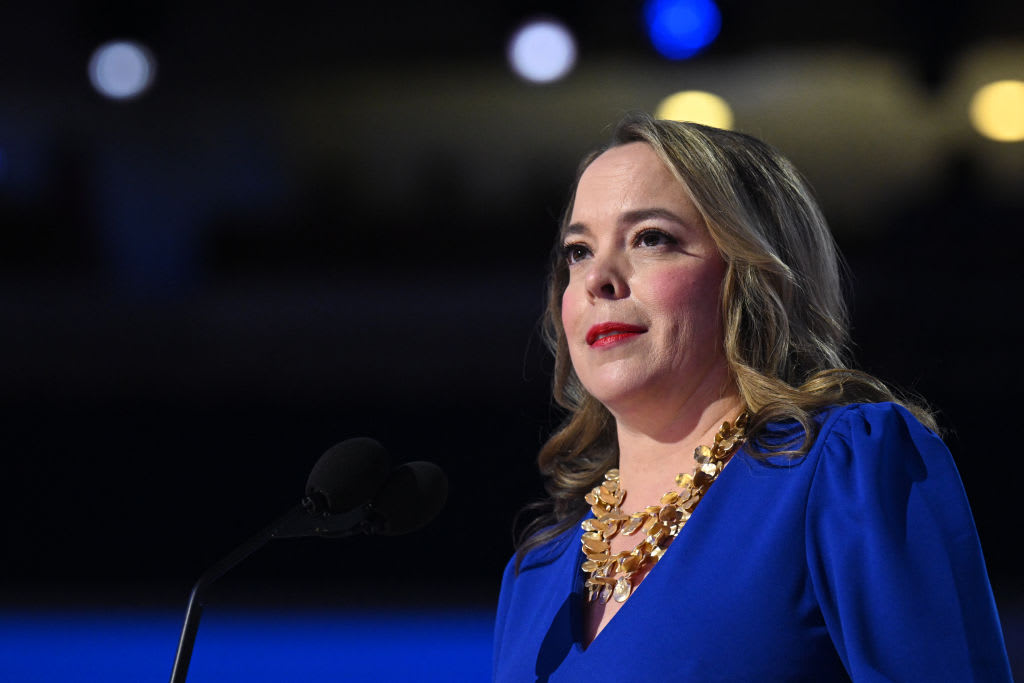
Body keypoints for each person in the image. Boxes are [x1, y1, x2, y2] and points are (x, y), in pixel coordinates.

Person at [492, 112, 1012, 681]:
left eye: (651, 239)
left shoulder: (841, 470)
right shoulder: (535, 575)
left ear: (751, 275)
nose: (599, 279)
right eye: (578, 251)